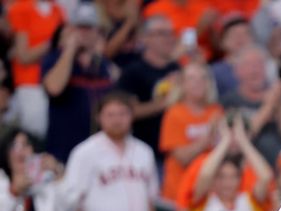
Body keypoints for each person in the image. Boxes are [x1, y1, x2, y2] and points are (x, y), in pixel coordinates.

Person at [42, 3, 115, 162]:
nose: (83, 33)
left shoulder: (103, 65)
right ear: (70, 29)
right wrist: (70, 49)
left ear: (97, 31)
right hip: (63, 153)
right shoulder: (55, 58)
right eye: (79, 27)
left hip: (99, 154)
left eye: (88, 28)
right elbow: (54, 88)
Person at [220, 45, 281, 165]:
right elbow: (237, 143)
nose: (255, 70)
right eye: (249, 65)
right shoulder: (229, 101)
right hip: (246, 170)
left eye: (260, 64)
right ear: (237, 71)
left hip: (280, 167)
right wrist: (268, 107)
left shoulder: (278, 98)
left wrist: (280, 103)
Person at [117, 15, 180, 162]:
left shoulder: (177, 69)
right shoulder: (132, 72)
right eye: (161, 33)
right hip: (144, 152)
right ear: (145, 38)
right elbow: (127, 111)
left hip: (174, 152)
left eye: (170, 33)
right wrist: (165, 103)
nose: (168, 38)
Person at [159, 62, 222, 202]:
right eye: (191, 78)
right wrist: (209, 134)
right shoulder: (174, 113)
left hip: (209, 193)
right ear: (182, 84)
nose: (198, 83)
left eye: (203, 78)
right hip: (179, 193)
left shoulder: (216, 111)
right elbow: (183, 158)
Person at [6, 0, 65, 138]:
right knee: (36, 134)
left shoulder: (57, 9)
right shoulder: (21, 7)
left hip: (55, 81)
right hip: (30, 83)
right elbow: (23, 56)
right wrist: (53, 42)